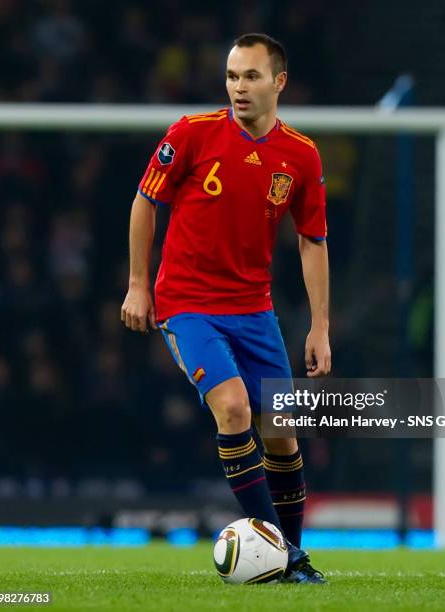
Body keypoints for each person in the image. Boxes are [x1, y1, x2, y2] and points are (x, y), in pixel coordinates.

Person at [121, 33, 331, 584]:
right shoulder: (191, 134)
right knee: (235, 409)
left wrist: (321, 327)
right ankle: (281, 554)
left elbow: (313, 240)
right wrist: (138, 284)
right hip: (188, 303)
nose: (239, 87)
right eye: (232, 76)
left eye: (251, 76)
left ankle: (292, 554)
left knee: (281, 430)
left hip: (254, 310)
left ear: (278, 82)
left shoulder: (301, 156)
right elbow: (146, 203)